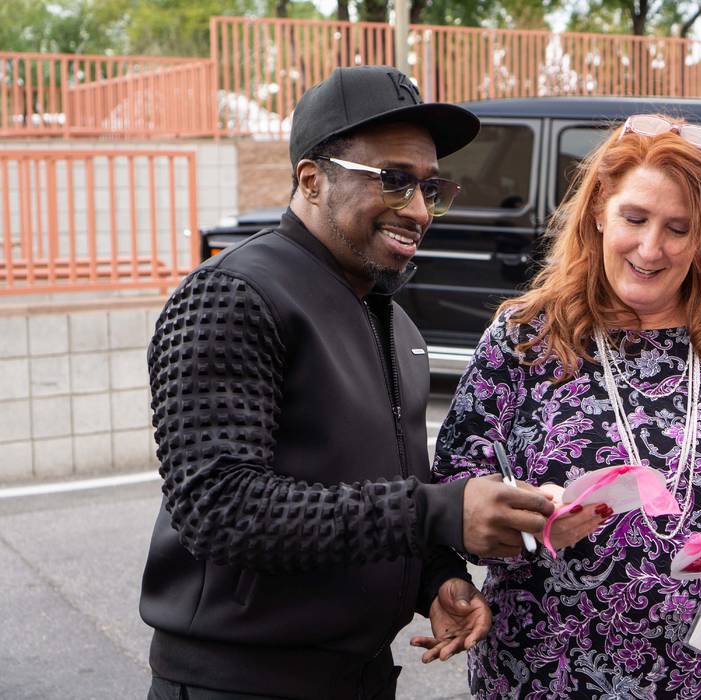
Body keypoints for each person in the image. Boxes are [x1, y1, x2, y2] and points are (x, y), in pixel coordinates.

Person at [139, 66, 556, 700]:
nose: (418, 210)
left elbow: (378, 481)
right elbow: (218, 509)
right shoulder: (234, 294)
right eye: (394, 182)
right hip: (241, 683)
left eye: (431, 187)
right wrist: (440, 513)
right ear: (311, 179)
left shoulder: (393, 319)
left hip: (359, 676)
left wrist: (434, 578)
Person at [432, 114, 701, 698]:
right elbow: (453, 491)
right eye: (635, 218)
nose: (651, 247)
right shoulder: (526, 339)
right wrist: (522, 511)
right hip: (554, 674)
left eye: (678, 228)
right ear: (600, 208)